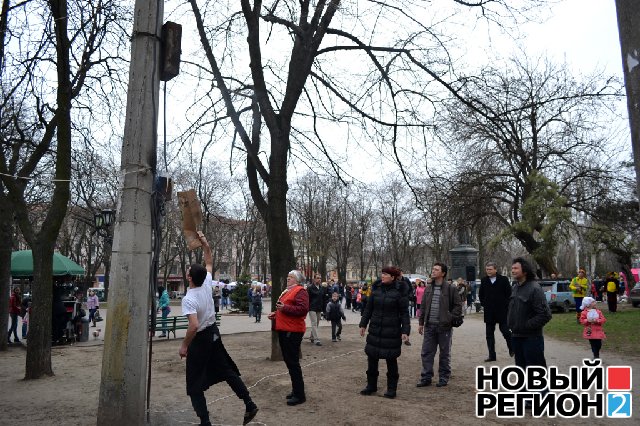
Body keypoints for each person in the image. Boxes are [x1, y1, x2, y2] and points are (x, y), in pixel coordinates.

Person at [179, 233, 258, 426]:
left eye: (188, 271)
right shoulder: (206, 283)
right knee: (227, 370)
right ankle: (249, 403)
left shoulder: (189, 299)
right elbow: (208, 260)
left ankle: (205, 422)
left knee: (194, 384)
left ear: (189, 277)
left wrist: (184, 346)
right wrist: (205, 244)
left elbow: (194, 326)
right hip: (214, 333)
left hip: (201, 340)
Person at [359, 266, 410, 399]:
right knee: (372, 358)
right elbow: (368, 309)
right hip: (375, 330)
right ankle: (371, 386)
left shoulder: (399, 292)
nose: (382, 276)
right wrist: (363, 324)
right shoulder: (376, 289)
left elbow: (404, 313)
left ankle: (391, 389)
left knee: (391, 360)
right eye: (382, 273)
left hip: (391, 331)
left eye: (385, 274)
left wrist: (405, 330)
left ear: (392, 277)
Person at [267, 270, 310, 406]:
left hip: (293, 331)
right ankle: (296, 390)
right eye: (287, 277)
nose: (288, 279)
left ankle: (299, 394)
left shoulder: (300, 291)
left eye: (290, 278)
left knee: (293, 363)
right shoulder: (288, 291)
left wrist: (284, 308)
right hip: (285, 329)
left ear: (297, 280)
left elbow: (302, 310)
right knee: (290, 362)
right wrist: (276, 314)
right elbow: (286, 308)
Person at [417, 263, 462, 388]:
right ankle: (426, 377)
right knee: (426, 352)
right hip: (429, 326)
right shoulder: (428, 288)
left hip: (444, 327)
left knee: (444, 353)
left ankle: (443, 377)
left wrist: (449, 317)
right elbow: (423, 307)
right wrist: (421, 323)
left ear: (443, 273)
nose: (433, 271)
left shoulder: (451, 288)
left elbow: (458, 306)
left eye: (436, 270)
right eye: (433, 269)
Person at [507, 257, 552, 373]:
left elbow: (545, 314)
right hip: (517, 336)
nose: (513, 270)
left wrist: (527, 325)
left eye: (516, 268)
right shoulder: (515, 287)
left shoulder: (535, 288)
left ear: (525, 271)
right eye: (512, 268)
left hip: (531, 338)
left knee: (536, 373)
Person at [479, 262, 513, 362]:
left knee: (506, 331)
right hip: (489, 312)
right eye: (487, 269)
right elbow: (481, 294)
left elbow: (509, 294)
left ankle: (512, 348)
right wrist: (484, 303)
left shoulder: (503, 280)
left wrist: (505, 305)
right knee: (489, 334)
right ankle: (492, 355)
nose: (488, 271)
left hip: (502, 311)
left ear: (495, 269)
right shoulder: (484, 280)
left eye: (490, 269)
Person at [306, 274, 323, 346]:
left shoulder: (321, 287)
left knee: (317, 323)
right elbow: (307, 298)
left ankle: (312, 336)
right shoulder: (310, 288)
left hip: (319, 308)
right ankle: (316, 340)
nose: (319, 279)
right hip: (312, 307)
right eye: (317, 278)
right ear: (314, 279)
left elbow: (323, 298)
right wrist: (307, 307)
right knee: (314, 323)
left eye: (320, 278)